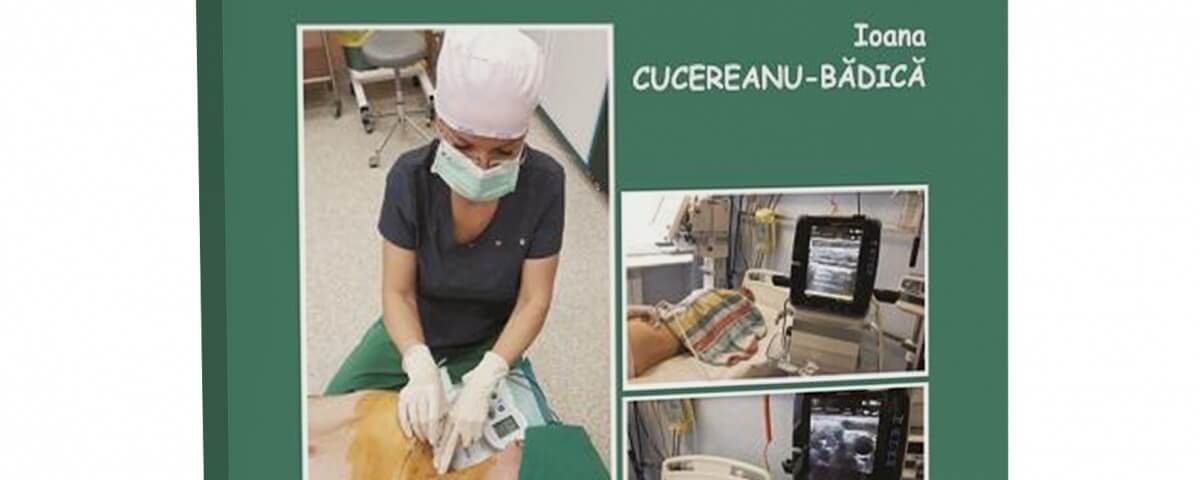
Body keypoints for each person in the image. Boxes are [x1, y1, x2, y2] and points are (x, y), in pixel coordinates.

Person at [324, 28, 563, 474]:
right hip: (414, 325)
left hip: (490, 338)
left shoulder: (545, 184)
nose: (482, 167)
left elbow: (534, 299)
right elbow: (397, 293)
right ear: (438, 122)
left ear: (524, 136)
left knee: (539, 451)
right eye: (463, 145)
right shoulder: (409, 179)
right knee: (331, 418)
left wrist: (489, 376)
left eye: (504, 151)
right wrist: (417, 363)